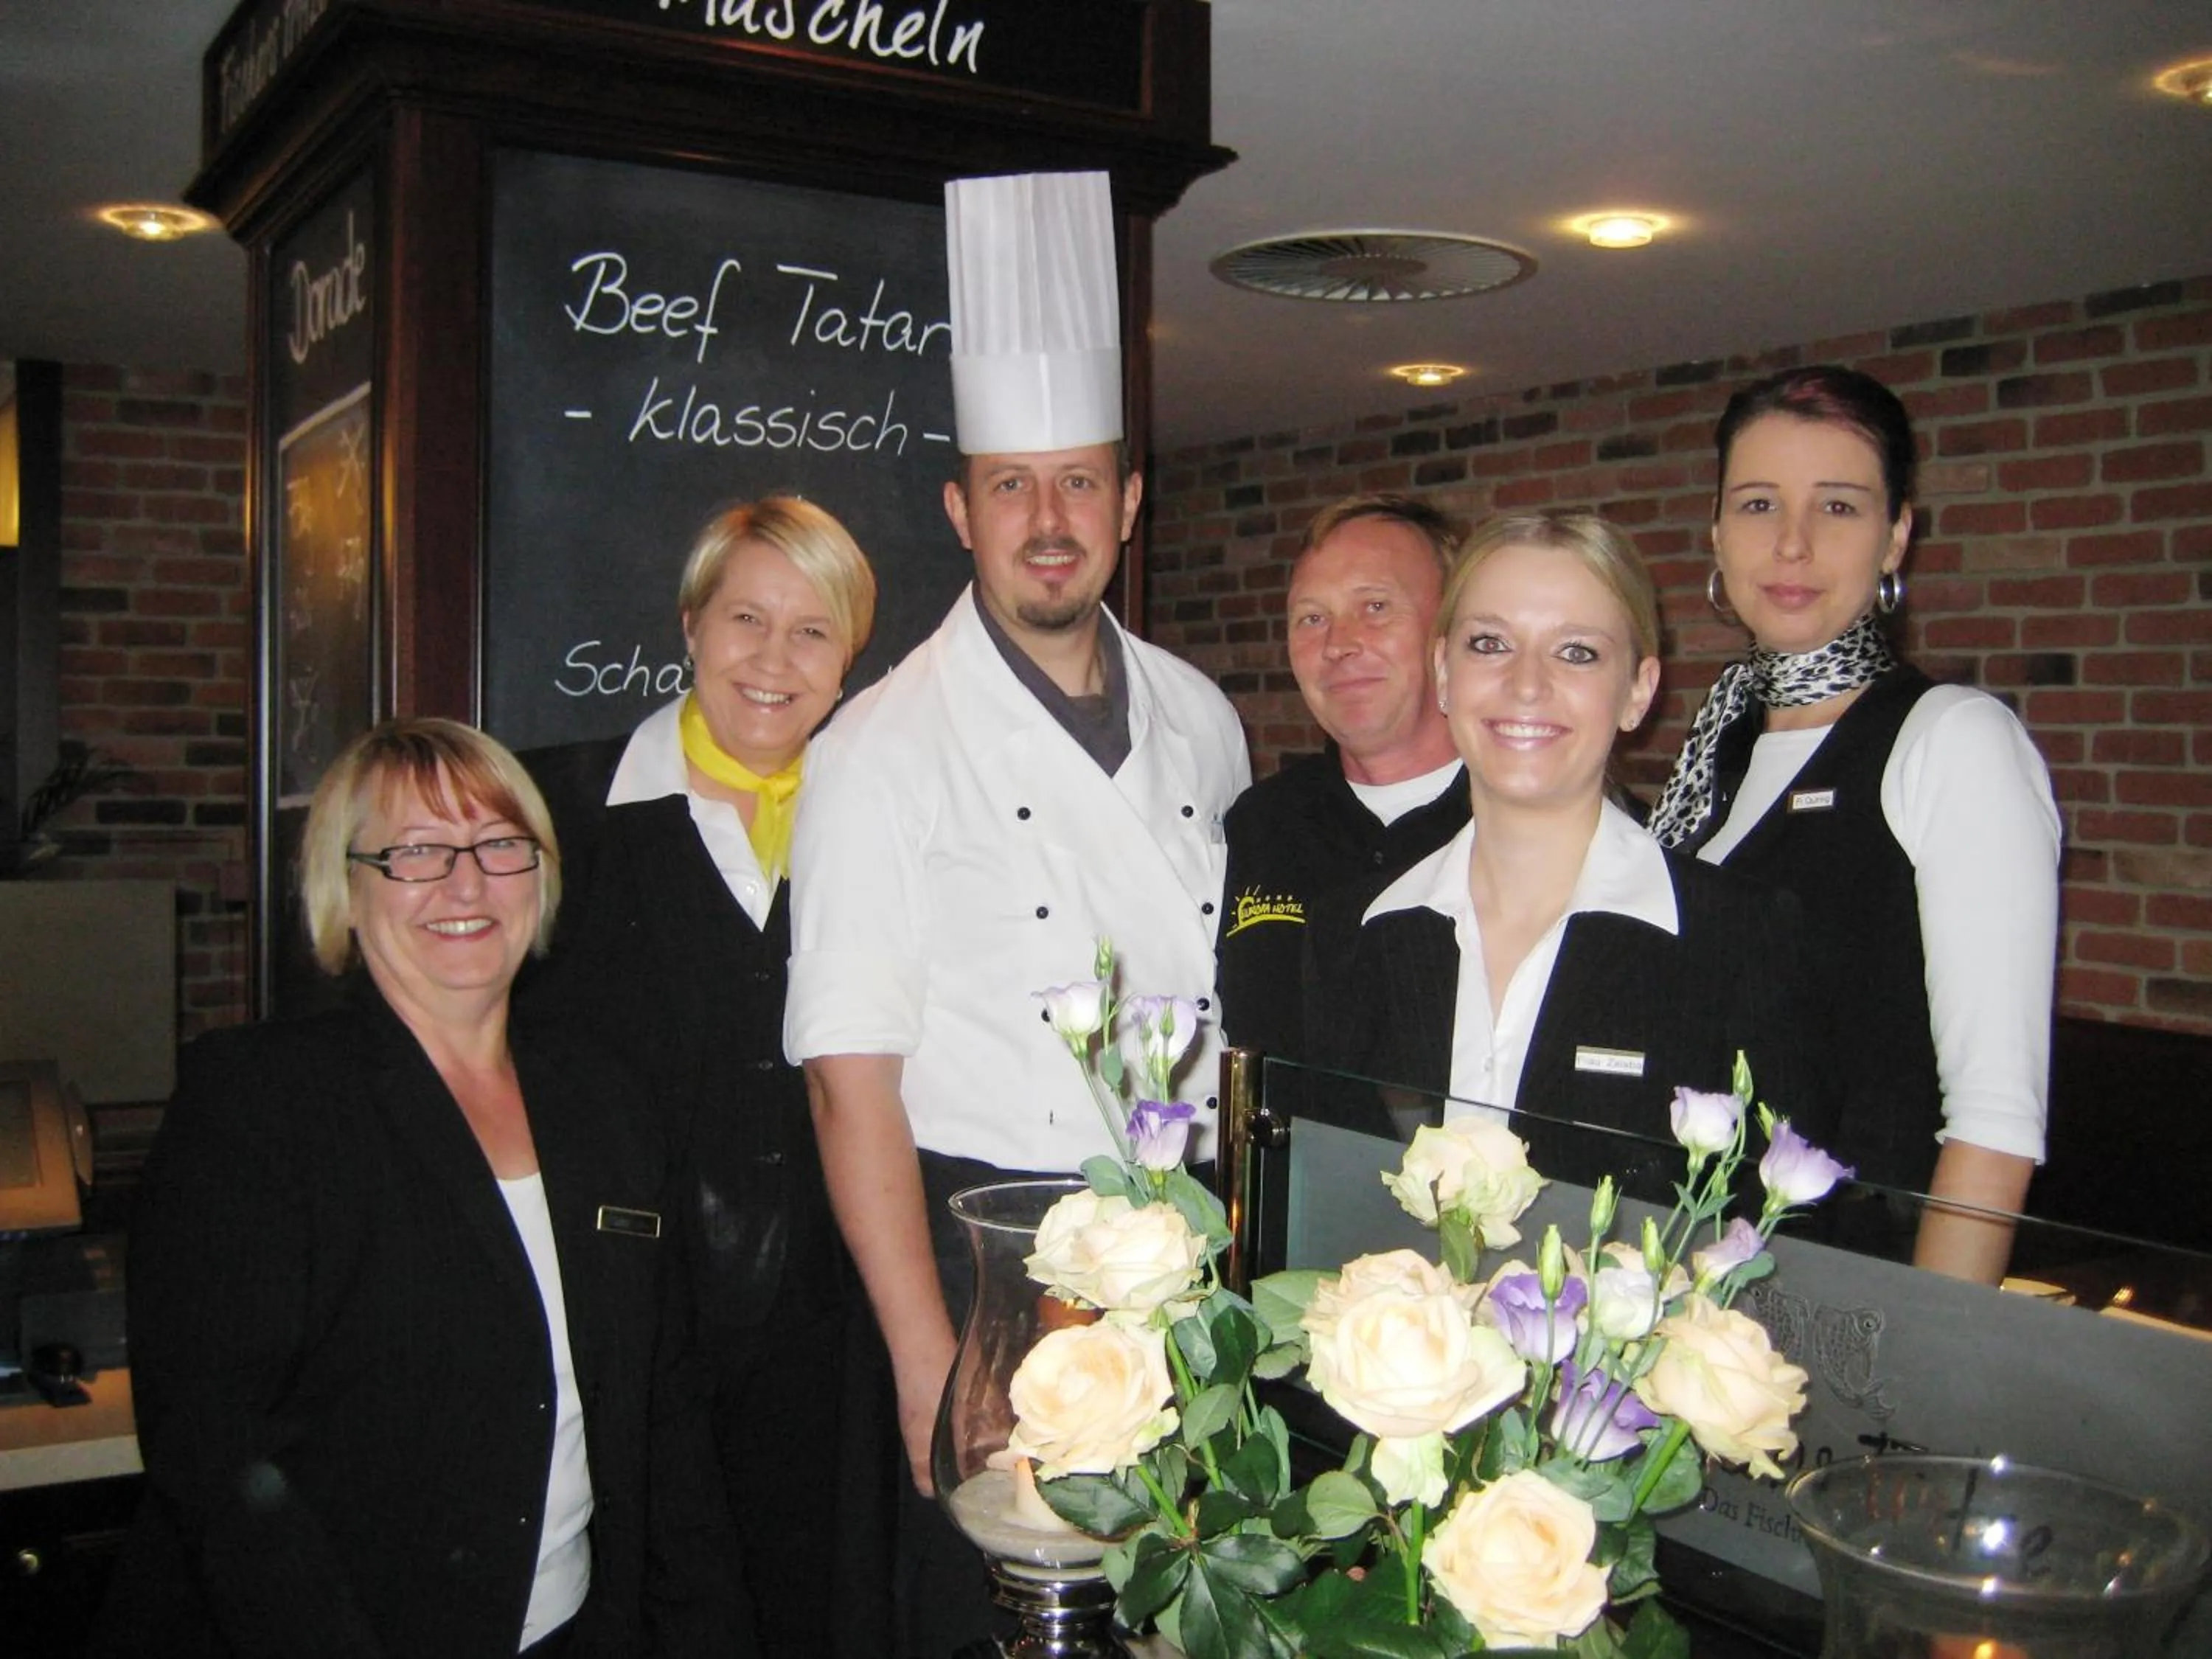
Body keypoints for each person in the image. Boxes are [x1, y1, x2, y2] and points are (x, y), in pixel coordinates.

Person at [784, 170, 1249, 1658]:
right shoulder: (877, 747)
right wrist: (937, 1372)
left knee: (1175, 1617)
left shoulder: (1201, 712)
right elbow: (851, 1083)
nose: (1049, 523)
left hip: (1183, 1243)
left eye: (1079, 484)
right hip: (994, 1253)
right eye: (1010, 487)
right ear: (959, 509)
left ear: (1128, 499)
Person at [95, 719, 741, 1659]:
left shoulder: (605, 1100)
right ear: (346, 888)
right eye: (415, 852)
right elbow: (216, 1454)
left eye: (499, 846)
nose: (467, 883)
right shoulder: (261, 1103)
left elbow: (662, 1416)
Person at [523, 497, 893, 1658]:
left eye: (812, 631)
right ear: (690, 624)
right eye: (746, 618)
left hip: (830, 1334)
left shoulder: (887, 821)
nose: (773, 660)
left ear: (849, 659)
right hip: (620, 1322)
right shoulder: (553, 815)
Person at [1648, 364, 2060, 1284]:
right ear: (1716, 530)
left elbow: (1993, 1127)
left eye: (1837, 508)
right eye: (1758, 505)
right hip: (1689, 1293)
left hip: (1853, 1300)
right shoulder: (1719, 748)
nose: (1791, 545)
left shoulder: (1954, 741)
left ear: (1896, 535)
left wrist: (1920, 1380)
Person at [1315, 513, 1828, 1191]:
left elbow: (1782, 1240)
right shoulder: (1349, 936)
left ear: (1638, 691)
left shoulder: (1741, 937)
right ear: (1444, 672)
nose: (1527, 684)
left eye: (1577, 652)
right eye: (1490, 643)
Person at [1217, 494, 1470, 1062]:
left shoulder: (1525, 827)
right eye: (1312, 618)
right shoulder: (1259, 827)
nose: (1337, 644)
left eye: (1376, 606)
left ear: (1452, 631)